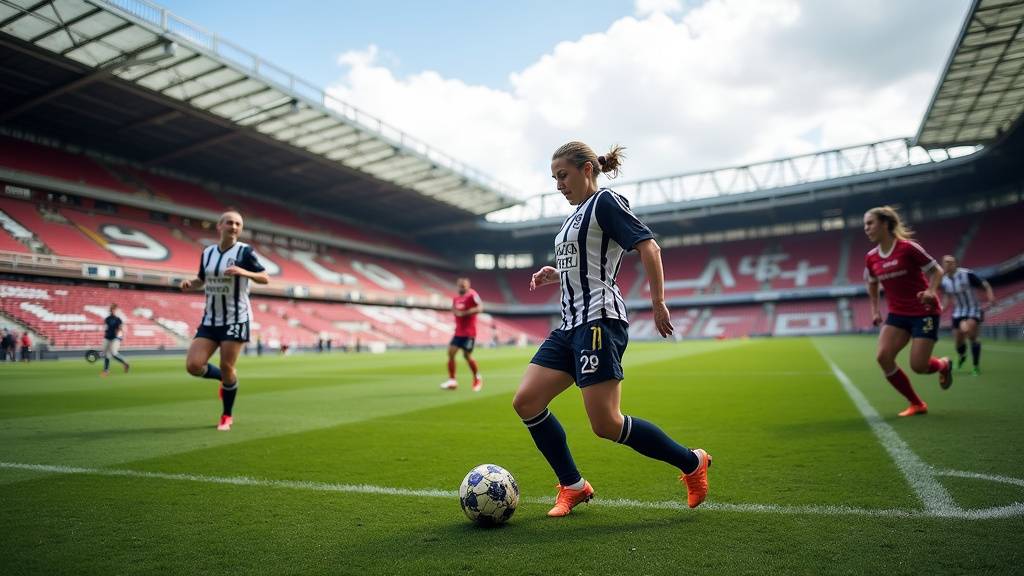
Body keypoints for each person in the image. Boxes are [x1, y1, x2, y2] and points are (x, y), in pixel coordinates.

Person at [512, 142, 711, 517]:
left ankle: (691, 462)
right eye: (554, 178)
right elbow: (587, 266)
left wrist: (658, 303)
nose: (558, 185)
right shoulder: (574, 216)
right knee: (527, 401)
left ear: (587, 169)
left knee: (606, 423)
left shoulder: (606, 202)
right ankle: (572, 486)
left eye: (563, 175)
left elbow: (650, 248)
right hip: (570, 324)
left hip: (599, 322)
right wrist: (557, 274)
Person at [180, 210, 269, 431]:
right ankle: (227, 380)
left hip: (236, 319)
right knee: (193, 366)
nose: (234, 226)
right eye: (229, 222)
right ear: (219, 226)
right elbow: (202, 280)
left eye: (238, 223)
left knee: (227, 364)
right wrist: (191, 284)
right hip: (210, 319)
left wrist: (244, 272)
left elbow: (265, 277)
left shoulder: (245, 252)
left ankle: (226, 415)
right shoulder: (208, 252)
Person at [863, 206, 952, 417]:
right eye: (865, 225)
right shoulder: (871, 257)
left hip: (924, 312)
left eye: (870, 223)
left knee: (919, 366)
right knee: (883, 357)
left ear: (885, 223)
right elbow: (873, 283)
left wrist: (931, 291)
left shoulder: (908, 248)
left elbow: (936, 271)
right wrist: (875, 310)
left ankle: (943, 364)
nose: (866, 228)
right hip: (897, 315)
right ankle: (917, 403)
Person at [940, 255, 994, 375]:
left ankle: (975, 366)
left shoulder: (967, 274)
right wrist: (942, 308)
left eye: (951, 262)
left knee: (970, 334)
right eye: (946, 262)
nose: (948, 264)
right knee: (958, 341)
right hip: (958, 311)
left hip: (973, 310)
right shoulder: (944, 281)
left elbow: (985, 285)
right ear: (943, 265)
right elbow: (947, 297)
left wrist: (990, 296)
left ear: (955, 264)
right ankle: (962, 356)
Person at [440, 277, 484, 392]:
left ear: (468, 286)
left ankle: (477, 378)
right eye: (460, 285)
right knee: (450, 353)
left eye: (464, 286)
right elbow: (454, 309)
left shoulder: (472, 295)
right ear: (457, 286)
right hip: (458, 332)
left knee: (466, 356)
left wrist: (465, 312)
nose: (462, 287)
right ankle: (452, 380)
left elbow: (480, 307)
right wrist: (456, 312)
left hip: (469, 333)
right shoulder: (456, 298)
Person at [100, 303, 130, 375]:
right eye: (112, 309)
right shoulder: (107, 319)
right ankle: (106, 370)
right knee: (106, 354)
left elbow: (120, 328)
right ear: (111, 310)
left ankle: (125, 363)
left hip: (115, 338)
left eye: (114, 309)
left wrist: (118, 335)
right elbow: (106, 328)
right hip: (107, 337)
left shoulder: (118, 319)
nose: (113, 311)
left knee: (113, 353)